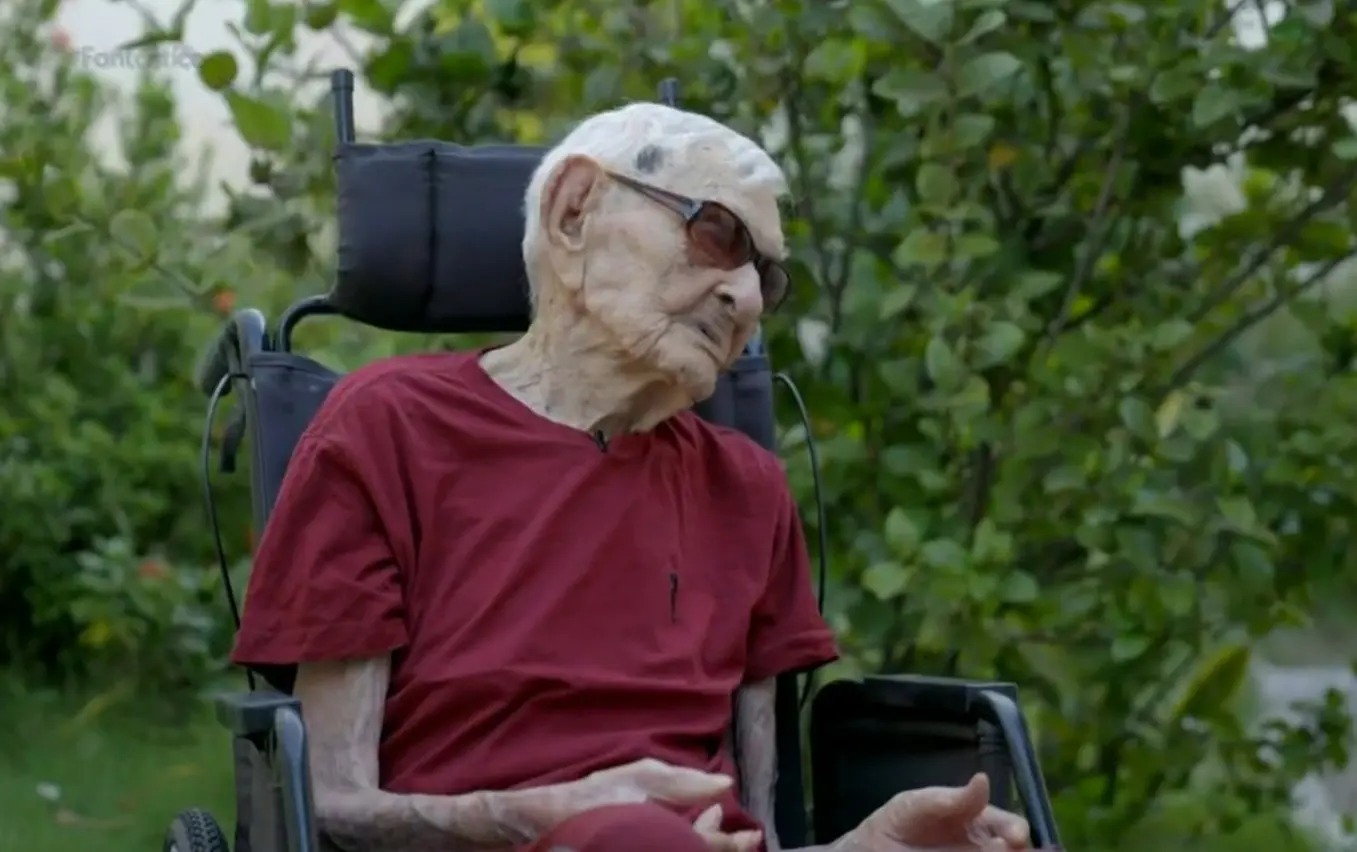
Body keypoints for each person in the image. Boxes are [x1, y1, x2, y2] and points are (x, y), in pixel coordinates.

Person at [230, 102, 1035, 852]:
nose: (748, 297)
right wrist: (532, 812)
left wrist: (869, 844)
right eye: (717, 235)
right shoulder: (388, 426)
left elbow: (758, 835)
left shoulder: (746, 488)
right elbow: (326, 809)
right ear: (575, 211)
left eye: (769, 275)